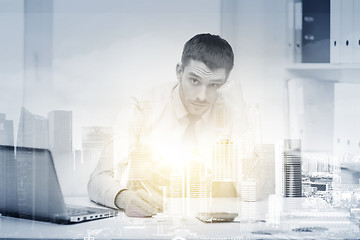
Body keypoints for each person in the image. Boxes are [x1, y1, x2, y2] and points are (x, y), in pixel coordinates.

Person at [88, 33, 248, 217]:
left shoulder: (231, 110)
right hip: (151, 220)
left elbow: (256, 185)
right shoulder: (143, 107)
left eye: (214, 85)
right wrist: (125, 198)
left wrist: (241, 115)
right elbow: (98, 179)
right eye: (194, 81)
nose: (202, 96)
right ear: (179, 72)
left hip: (213, 220)